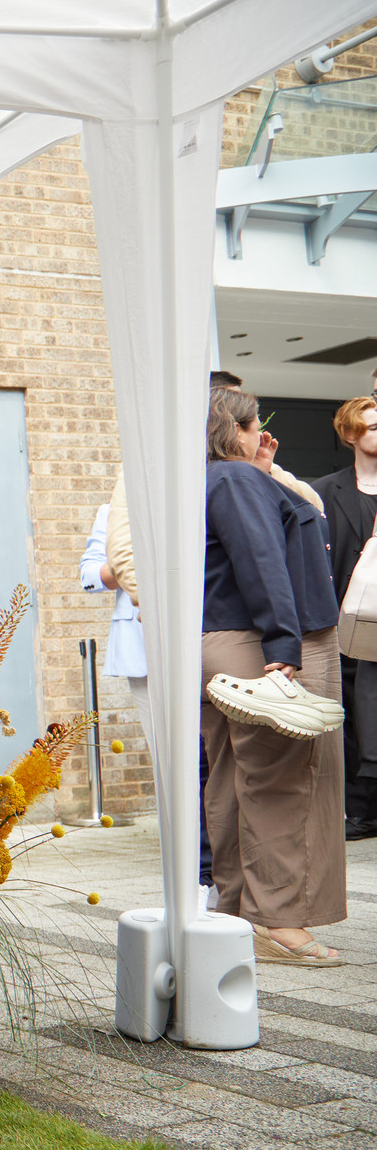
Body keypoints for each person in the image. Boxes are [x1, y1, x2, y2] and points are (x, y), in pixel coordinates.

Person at [199, 388, 348, 966]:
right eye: (255, 423)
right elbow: (262, 558)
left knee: (236, 777)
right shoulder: (237, 482)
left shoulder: (221, 480)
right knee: (284, 779)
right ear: (235, 428)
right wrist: (284, 646)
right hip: (262, 641)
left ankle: (239, 911)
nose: (262, 431)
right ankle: (280, 921)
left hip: (224, 637)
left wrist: (263, 473)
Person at [311, 398, 377, 840]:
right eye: (373, 427)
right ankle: (359, 808)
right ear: (351, 434)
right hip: (348, 620)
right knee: (351, 711)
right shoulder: (324, 490)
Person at [80, 500, 150, 750]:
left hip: (204, 638)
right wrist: (127, 563)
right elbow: (88, 576)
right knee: (164, 753)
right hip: (141, 647)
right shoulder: (113, 511)